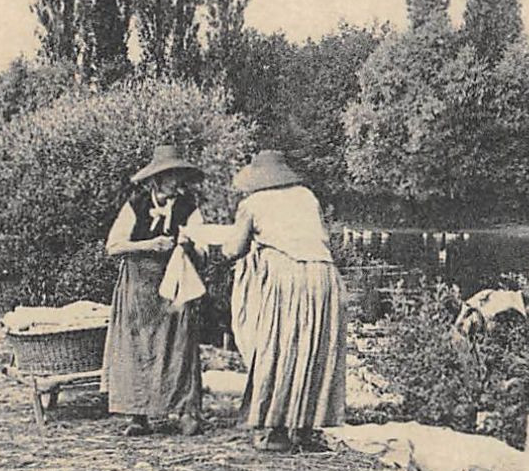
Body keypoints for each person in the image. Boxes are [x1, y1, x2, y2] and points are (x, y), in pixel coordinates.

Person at [199, 150, 347, 453]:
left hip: (287, 274)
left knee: (277, 347)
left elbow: (233, 249)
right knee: (312, 347)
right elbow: (319, 237)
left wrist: (217, 248)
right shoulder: (307, 196)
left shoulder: (252, 204)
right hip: (324, 274)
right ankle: (306, 429)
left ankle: (275, 429)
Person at [100, 145, 208, 438]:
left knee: (180, 345)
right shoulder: (135, 205)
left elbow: (203, 245)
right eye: (170, 176)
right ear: (155, 181)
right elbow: (113, 246)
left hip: (175, 284)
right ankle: (138, 415)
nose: (176, 182)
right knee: (137, 347)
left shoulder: (188, 207)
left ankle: (187, 411)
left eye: (178, 175)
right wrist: (148, 245)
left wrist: (190, 244)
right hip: (139, 286)